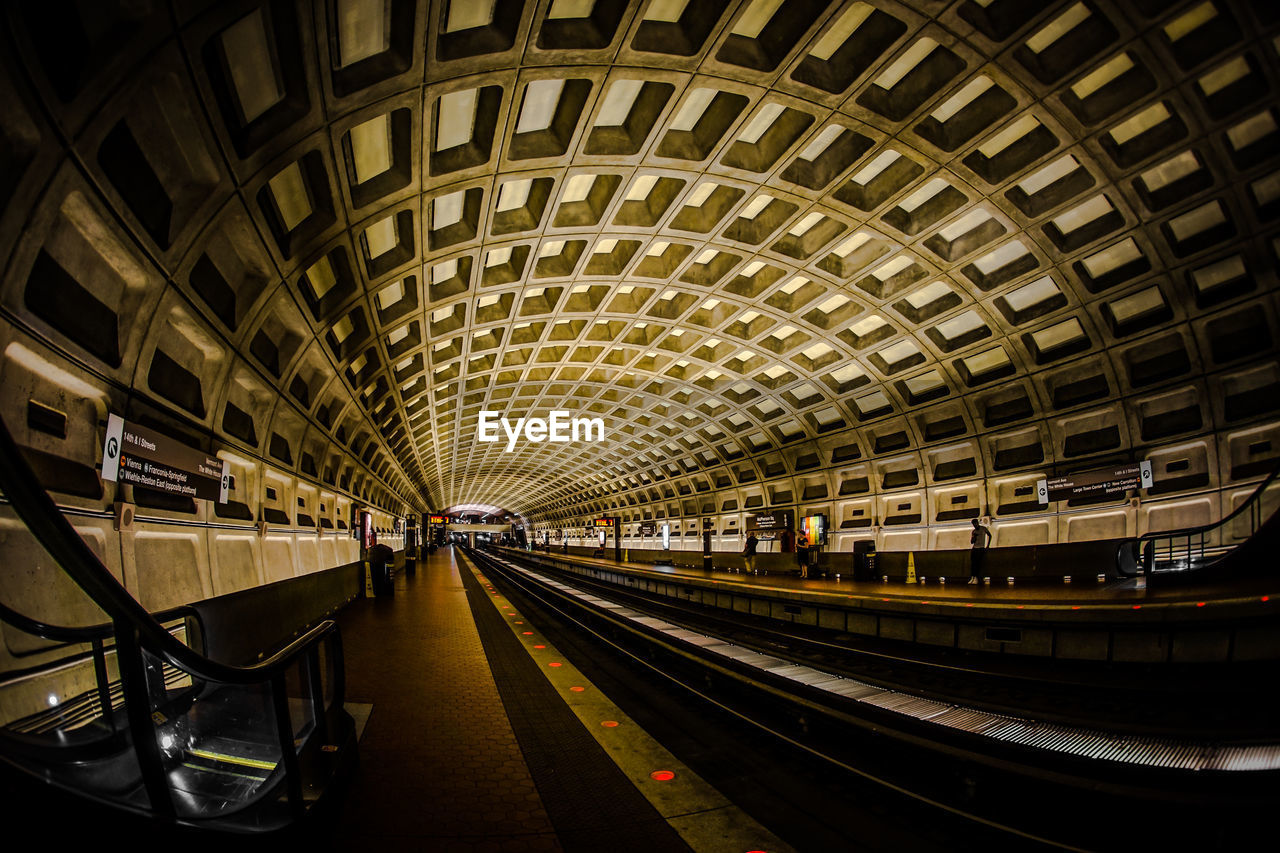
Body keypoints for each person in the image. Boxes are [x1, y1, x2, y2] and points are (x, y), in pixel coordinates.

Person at [968, 518, 990, 584]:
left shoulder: (983, 529)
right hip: (975, 548)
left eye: (975, 524)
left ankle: (976, 578)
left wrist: (988, 545)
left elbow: (989, 535)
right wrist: (974, 537)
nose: (974, 525)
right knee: (973, 563)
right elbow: (972, 542)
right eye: (973, 524)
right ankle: (973, 577)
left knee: (977, 563)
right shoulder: (974, 531)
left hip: (980, 548)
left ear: (977, 523)